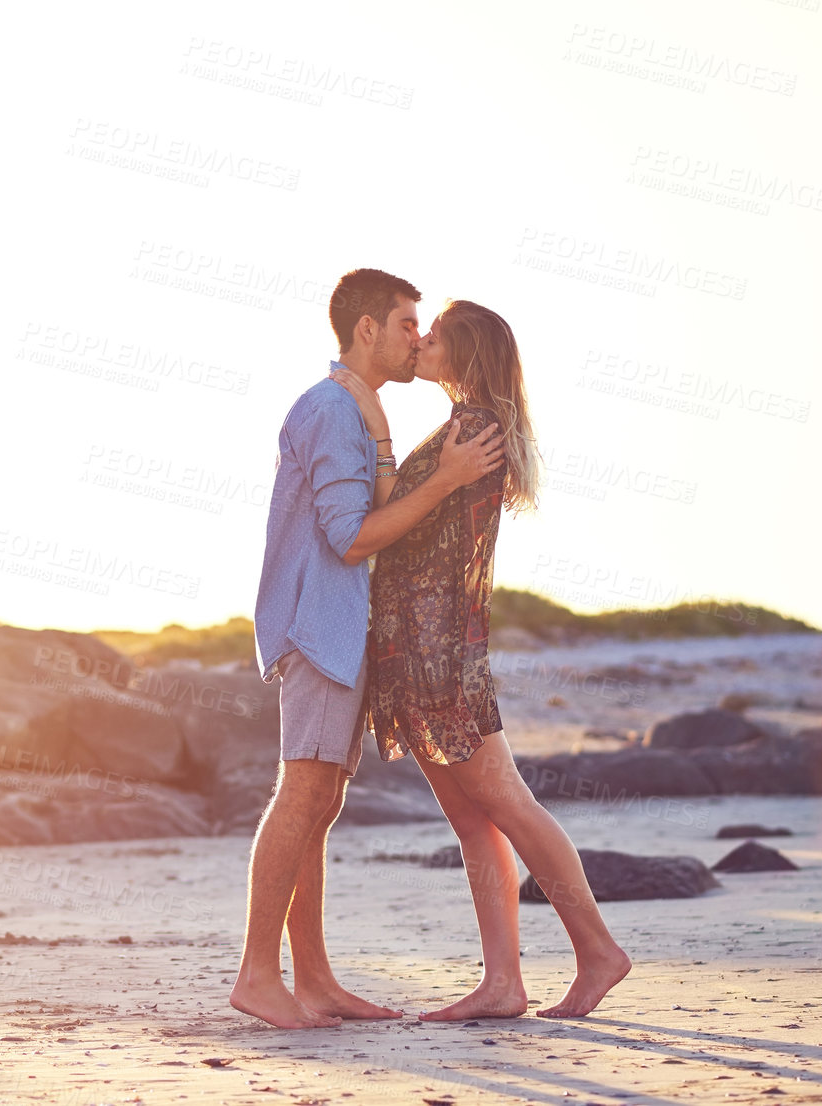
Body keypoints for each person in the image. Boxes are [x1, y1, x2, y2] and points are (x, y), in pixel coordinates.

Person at [335, 299, 631, 1020]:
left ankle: (596, 950)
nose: (421, 341)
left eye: (433, 335)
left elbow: (385, 519)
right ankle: (502, 982)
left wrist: (372, 422)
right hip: (418, 650)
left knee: (506, 804)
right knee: (475, 822)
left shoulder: (471, 427)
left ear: (463, 354)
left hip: (439, 654)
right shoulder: (464, 424)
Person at [231, 271, 506, 1029]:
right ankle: (258, 973)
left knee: (321, 801)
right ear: (366, 331)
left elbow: (371, 508)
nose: (417, 337)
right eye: (406, 323)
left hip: (342, 629)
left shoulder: (359, 409)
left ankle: (313, 980)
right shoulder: (328, 409)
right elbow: (351, 539)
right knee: (302, 792)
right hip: (317, 625)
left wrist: (387, 437)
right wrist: (448, 477)